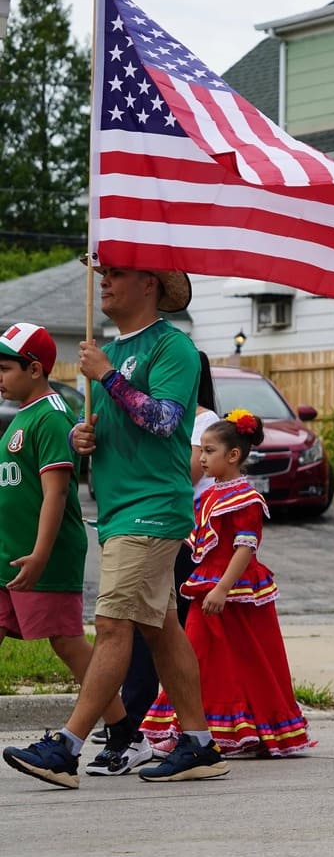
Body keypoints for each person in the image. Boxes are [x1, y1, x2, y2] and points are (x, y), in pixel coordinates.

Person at [4, 266, 227, 787]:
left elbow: (168, 420)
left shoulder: (173, 348)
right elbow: (122, 430)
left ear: (150, 285)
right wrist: (87, 439)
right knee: (162, 630)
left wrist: (107, 376)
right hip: (120, 510)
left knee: (110, 625)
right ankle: (198, 744)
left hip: (153, 507)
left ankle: (67, 747)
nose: (103, 284)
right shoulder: (105, 353)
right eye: (103, 276)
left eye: (117, 276)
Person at [140, 411, 313, 757]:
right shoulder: (210, 495)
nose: (201, 458)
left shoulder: (245, 498)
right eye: (201, 451)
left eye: (208, 451)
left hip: (234, 590)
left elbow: (245, 548)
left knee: (241, 658)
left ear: (233, 455)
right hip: (208, 584)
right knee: (204, 655)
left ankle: (212, 729)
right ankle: (196, 726)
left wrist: (222, 588)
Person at [0, 323, 132, 778]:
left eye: (5, 367)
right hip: (8, 554)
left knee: (68, 642)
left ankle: (122, 731)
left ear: (35, 369)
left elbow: (56, 494)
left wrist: (39, 555)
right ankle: (122, 730)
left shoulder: (51, 416)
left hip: (44, 555)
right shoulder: (22, 412)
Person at [104, 349, 217, 776]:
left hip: (177, 531)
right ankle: (165, 730)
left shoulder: (201, 420)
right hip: (134, 515)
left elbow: (187, 469)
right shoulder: (138, 408)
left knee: (128, 624)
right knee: (156, 628)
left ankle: (106, 729)